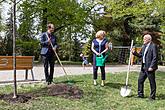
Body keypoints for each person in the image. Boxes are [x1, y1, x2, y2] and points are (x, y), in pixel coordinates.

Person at [132, 34, 158, 100]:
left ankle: (152, 96)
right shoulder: (144, 46)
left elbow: (155, 57)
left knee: (152, 82)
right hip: (143, 67)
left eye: (144, 39)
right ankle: (140, 94)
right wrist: (134, 52)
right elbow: (140, 55)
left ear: (149, 39)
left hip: (150, 68)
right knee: (140, 80)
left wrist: (152, 66)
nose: (143, 40)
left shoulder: (153, 46)